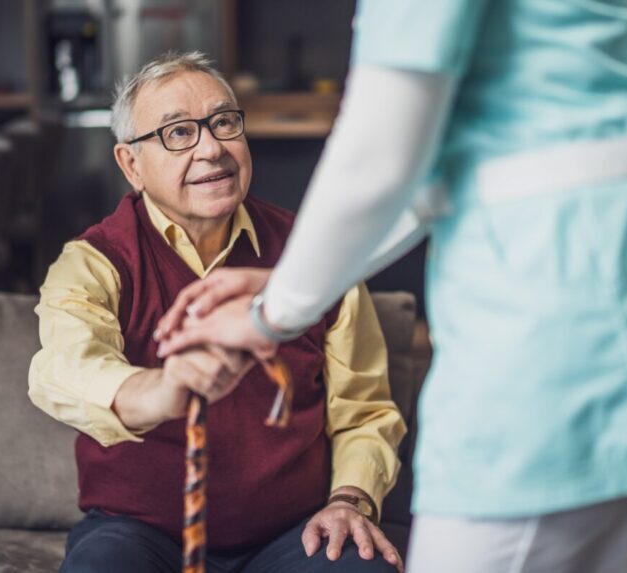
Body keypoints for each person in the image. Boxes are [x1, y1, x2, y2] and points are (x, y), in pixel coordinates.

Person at [153, 1, 627, 572]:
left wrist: (267, 314)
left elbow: (381, 156)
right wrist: (287, 289)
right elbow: (424, 170)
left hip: (560, 297)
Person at [28, 51, 407, 573]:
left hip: (292, 533)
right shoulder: (94, 262)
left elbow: (364, 410)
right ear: (130, 164)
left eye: (224, 122)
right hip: (138, 533)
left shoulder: (311, 255)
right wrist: (164, 388)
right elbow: (64, 368)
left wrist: (350, 499)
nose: (212, 148)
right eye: (178, 133)